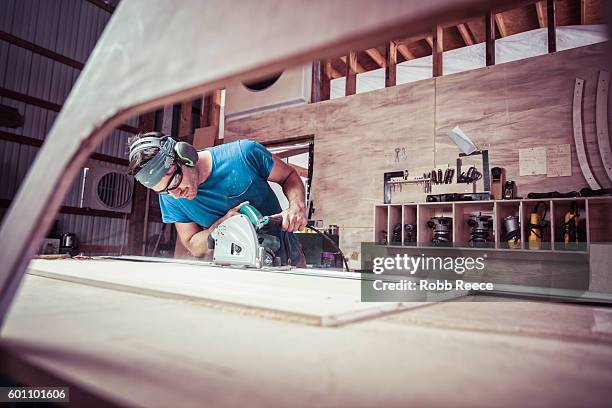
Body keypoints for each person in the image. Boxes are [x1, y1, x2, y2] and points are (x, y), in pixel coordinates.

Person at [127, 131, 307, 266]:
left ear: (185, 156)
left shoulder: (243, 154)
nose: (175, 194)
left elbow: (288, 175)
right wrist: (220, 226)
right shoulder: (170, 198)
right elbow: (193, 245)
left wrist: (297, 207)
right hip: (232, 265)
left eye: (174, 182)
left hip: (285, 253)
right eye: (164, 191)